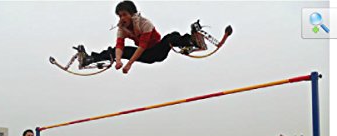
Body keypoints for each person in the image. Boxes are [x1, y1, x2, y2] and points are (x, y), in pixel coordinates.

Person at [75, 1, 232, 74]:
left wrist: (128, 65)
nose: (121, 18)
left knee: (172, 36)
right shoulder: (121, 28)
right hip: (145, 54)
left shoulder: (145, 24)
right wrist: (117, 61)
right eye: (119, 15)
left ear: (132, 15)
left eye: (124, 15)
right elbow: (120, 46)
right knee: (113, 50)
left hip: (157, 51)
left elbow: (142, 46)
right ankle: (90, 59)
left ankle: (191, 41)